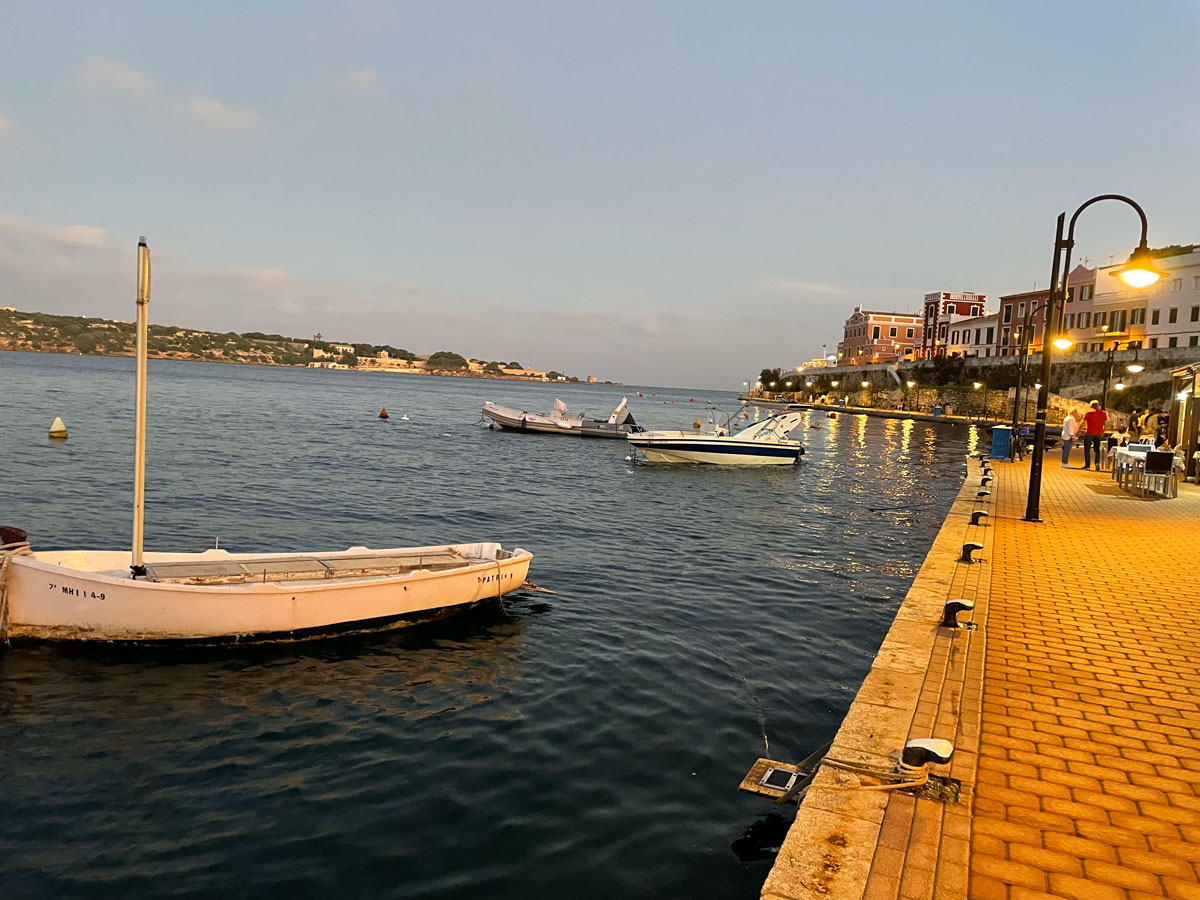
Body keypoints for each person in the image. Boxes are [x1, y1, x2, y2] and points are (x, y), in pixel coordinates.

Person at [1082, 400, 1107, 470]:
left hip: (1089, 433)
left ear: (1091, 406)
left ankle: (1087, 465)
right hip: (1098, 434)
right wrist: (1102, 432)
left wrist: (1078, 431)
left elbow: (1083, 423)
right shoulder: (1103, 413)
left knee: (1087, 449)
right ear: (1098, 405)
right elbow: (1105, 425)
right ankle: (1097, 463)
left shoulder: (1088, 413)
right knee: (1097, 449)